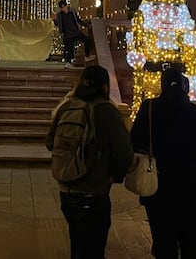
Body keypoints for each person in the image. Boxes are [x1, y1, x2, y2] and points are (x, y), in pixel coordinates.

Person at [47, 64, 132, 259]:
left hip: (67, 190)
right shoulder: (106, 111)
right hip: (93, 191)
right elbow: (123, 149)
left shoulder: (66, 106)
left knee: (77, 243)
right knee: (92, 248)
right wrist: (115, 176)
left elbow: (49, 142)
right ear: (104, 86)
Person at [131, 68, 196, 259]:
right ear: (184, 87)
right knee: (191, 239)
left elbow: (136, 141)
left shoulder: (149, 109)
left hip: (159, 187)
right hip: (190, 187)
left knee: (163, 239)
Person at [52, 0, 92, 69]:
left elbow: (78, 20)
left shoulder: (72, 12)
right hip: (68, 35)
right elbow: (58, 24)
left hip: (76, 32)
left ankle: (87, 56)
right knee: (69, 50)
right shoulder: (60, 15)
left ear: (66, 6)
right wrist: (54, 20)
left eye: (64, 7)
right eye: (62, 8)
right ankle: (68, 63)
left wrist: (86, 25)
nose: (63, 9)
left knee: (86, 40)